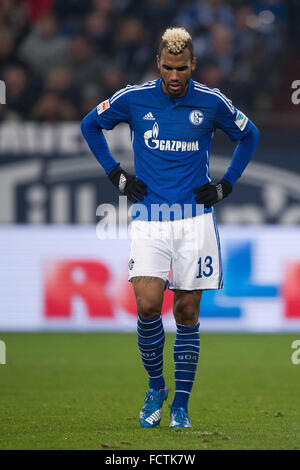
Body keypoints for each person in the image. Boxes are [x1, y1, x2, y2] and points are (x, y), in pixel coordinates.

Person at [81, 27, 260, 429]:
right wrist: (116, 175)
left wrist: (226, 183)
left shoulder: (211, 102)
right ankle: (156, 387)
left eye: (182, 68)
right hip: (151, 219)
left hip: (196, 222)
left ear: (192, 64)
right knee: (146, 304)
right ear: (157, 63)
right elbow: (89, 124)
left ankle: (180, 404)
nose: (175, 76)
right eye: (168, 68)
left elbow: (250, 135)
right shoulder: (133, 98)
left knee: (186, 312)